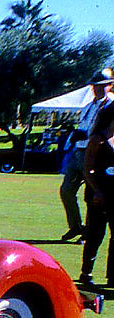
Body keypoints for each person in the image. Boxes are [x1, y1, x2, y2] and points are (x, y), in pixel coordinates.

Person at [61, 68, 114, 241]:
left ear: (110, 85)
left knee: (91, 196)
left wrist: (89, 135)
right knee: (66, 190)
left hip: (97, 154)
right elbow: (84, 125)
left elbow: (104, 130)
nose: (96, 89)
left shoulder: (111, 105)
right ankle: (76, 226)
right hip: (79, 151)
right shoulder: (88, 105)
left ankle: (89, 233)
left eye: (101, 86)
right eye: (94, 86)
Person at [79, 102, 114, 287]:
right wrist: (96, 189)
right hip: (98, 195)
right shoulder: (97, 139)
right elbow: (88, 169)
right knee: (95, 234)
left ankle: (112, 276)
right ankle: (86, 273)